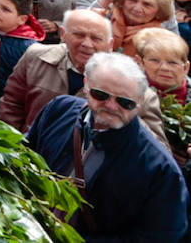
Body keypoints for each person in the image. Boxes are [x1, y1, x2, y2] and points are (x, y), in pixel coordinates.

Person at [25, 52, 188, 241]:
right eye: (101, 95)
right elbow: (22, 159)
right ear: (86, 84)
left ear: (141, 101)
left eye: (125, 102)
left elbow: (160, 236)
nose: (111, 106)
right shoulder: (58, 110)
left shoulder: (159, 168)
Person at [0, 8, 168, 143]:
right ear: (63, 34)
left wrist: (124, 108)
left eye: (96, 38)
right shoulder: (35, 57)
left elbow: (157, 148)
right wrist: (15, 146)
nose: (87, 44)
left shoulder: (135, 91)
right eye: (79, 35)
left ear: (110, 45)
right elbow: (11, 104)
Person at [103, 0, 176, 56]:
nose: (137, 8)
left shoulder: (162, 41)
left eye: (147, 4)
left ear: (159, 10)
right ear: (122, 0)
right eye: (132, 0)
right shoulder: (102, 20)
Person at [134, 29, 190, 105]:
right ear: (140, 62)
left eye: (172, 63)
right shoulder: (128, 92)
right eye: (155, 60)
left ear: (186, 67)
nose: (164, 68)